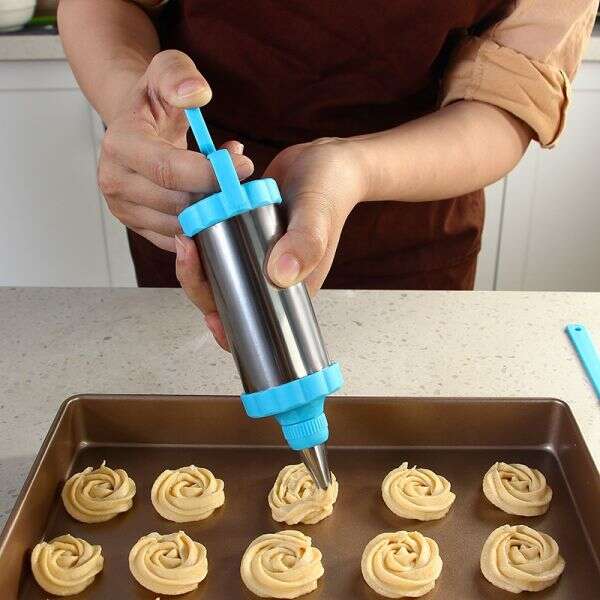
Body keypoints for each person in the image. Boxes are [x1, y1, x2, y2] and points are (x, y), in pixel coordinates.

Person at [59, 0, 597, 349]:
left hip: (412, 231)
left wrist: (354, 166)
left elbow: (506, 100)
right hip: (198, 218)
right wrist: (133, 103)